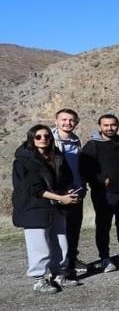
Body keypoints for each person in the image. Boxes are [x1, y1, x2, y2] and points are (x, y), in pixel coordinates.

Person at [12, 125, 79, 293]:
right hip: (33, 207)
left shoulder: (56, 156)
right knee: (38, 245)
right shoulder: (23, 161)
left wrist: (67, 192)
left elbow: (65, 178)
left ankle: (59, 274)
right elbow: (32, 189)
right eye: (38, 136)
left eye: (47, 136)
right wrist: (61, 198)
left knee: (61, 241)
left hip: (56, 206)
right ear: (31, 139)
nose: (43, 139)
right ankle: (39, 279)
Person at [81, 114, 119, 272]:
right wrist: (99, 180)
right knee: (103, 226)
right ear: (100, 126)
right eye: (106, 125)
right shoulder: (92, 145)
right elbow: (84, 169)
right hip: (104, 194)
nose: (109, 128)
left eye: (113, 125)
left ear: (118, 125)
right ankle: (105, 258)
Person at [52, 108, 86, 279]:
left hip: (77, 192)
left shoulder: (75, 141)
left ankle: (72, 259)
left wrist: (83, 187)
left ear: (77, 122)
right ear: (56, 121)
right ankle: (59, 266)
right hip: (59, 195)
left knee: (74, 229)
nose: (68, 123)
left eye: (71, 120)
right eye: (64, 120)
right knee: (59, 232)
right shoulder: (49, 141)